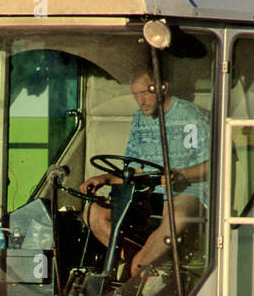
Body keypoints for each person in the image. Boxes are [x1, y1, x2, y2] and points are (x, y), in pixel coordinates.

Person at [80, 69, 210, 279]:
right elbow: (135, 170)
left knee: (175, 216)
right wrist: (102, 179)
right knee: (92, 213)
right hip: (147, 191)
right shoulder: (139, 119)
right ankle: (137, 266)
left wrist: (182, 174)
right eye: (136, 95)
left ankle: (138, 269)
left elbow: (217, 163)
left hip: (185, 191)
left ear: (163, 87)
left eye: (145, 93)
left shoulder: (193, 116)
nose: (140, 100)